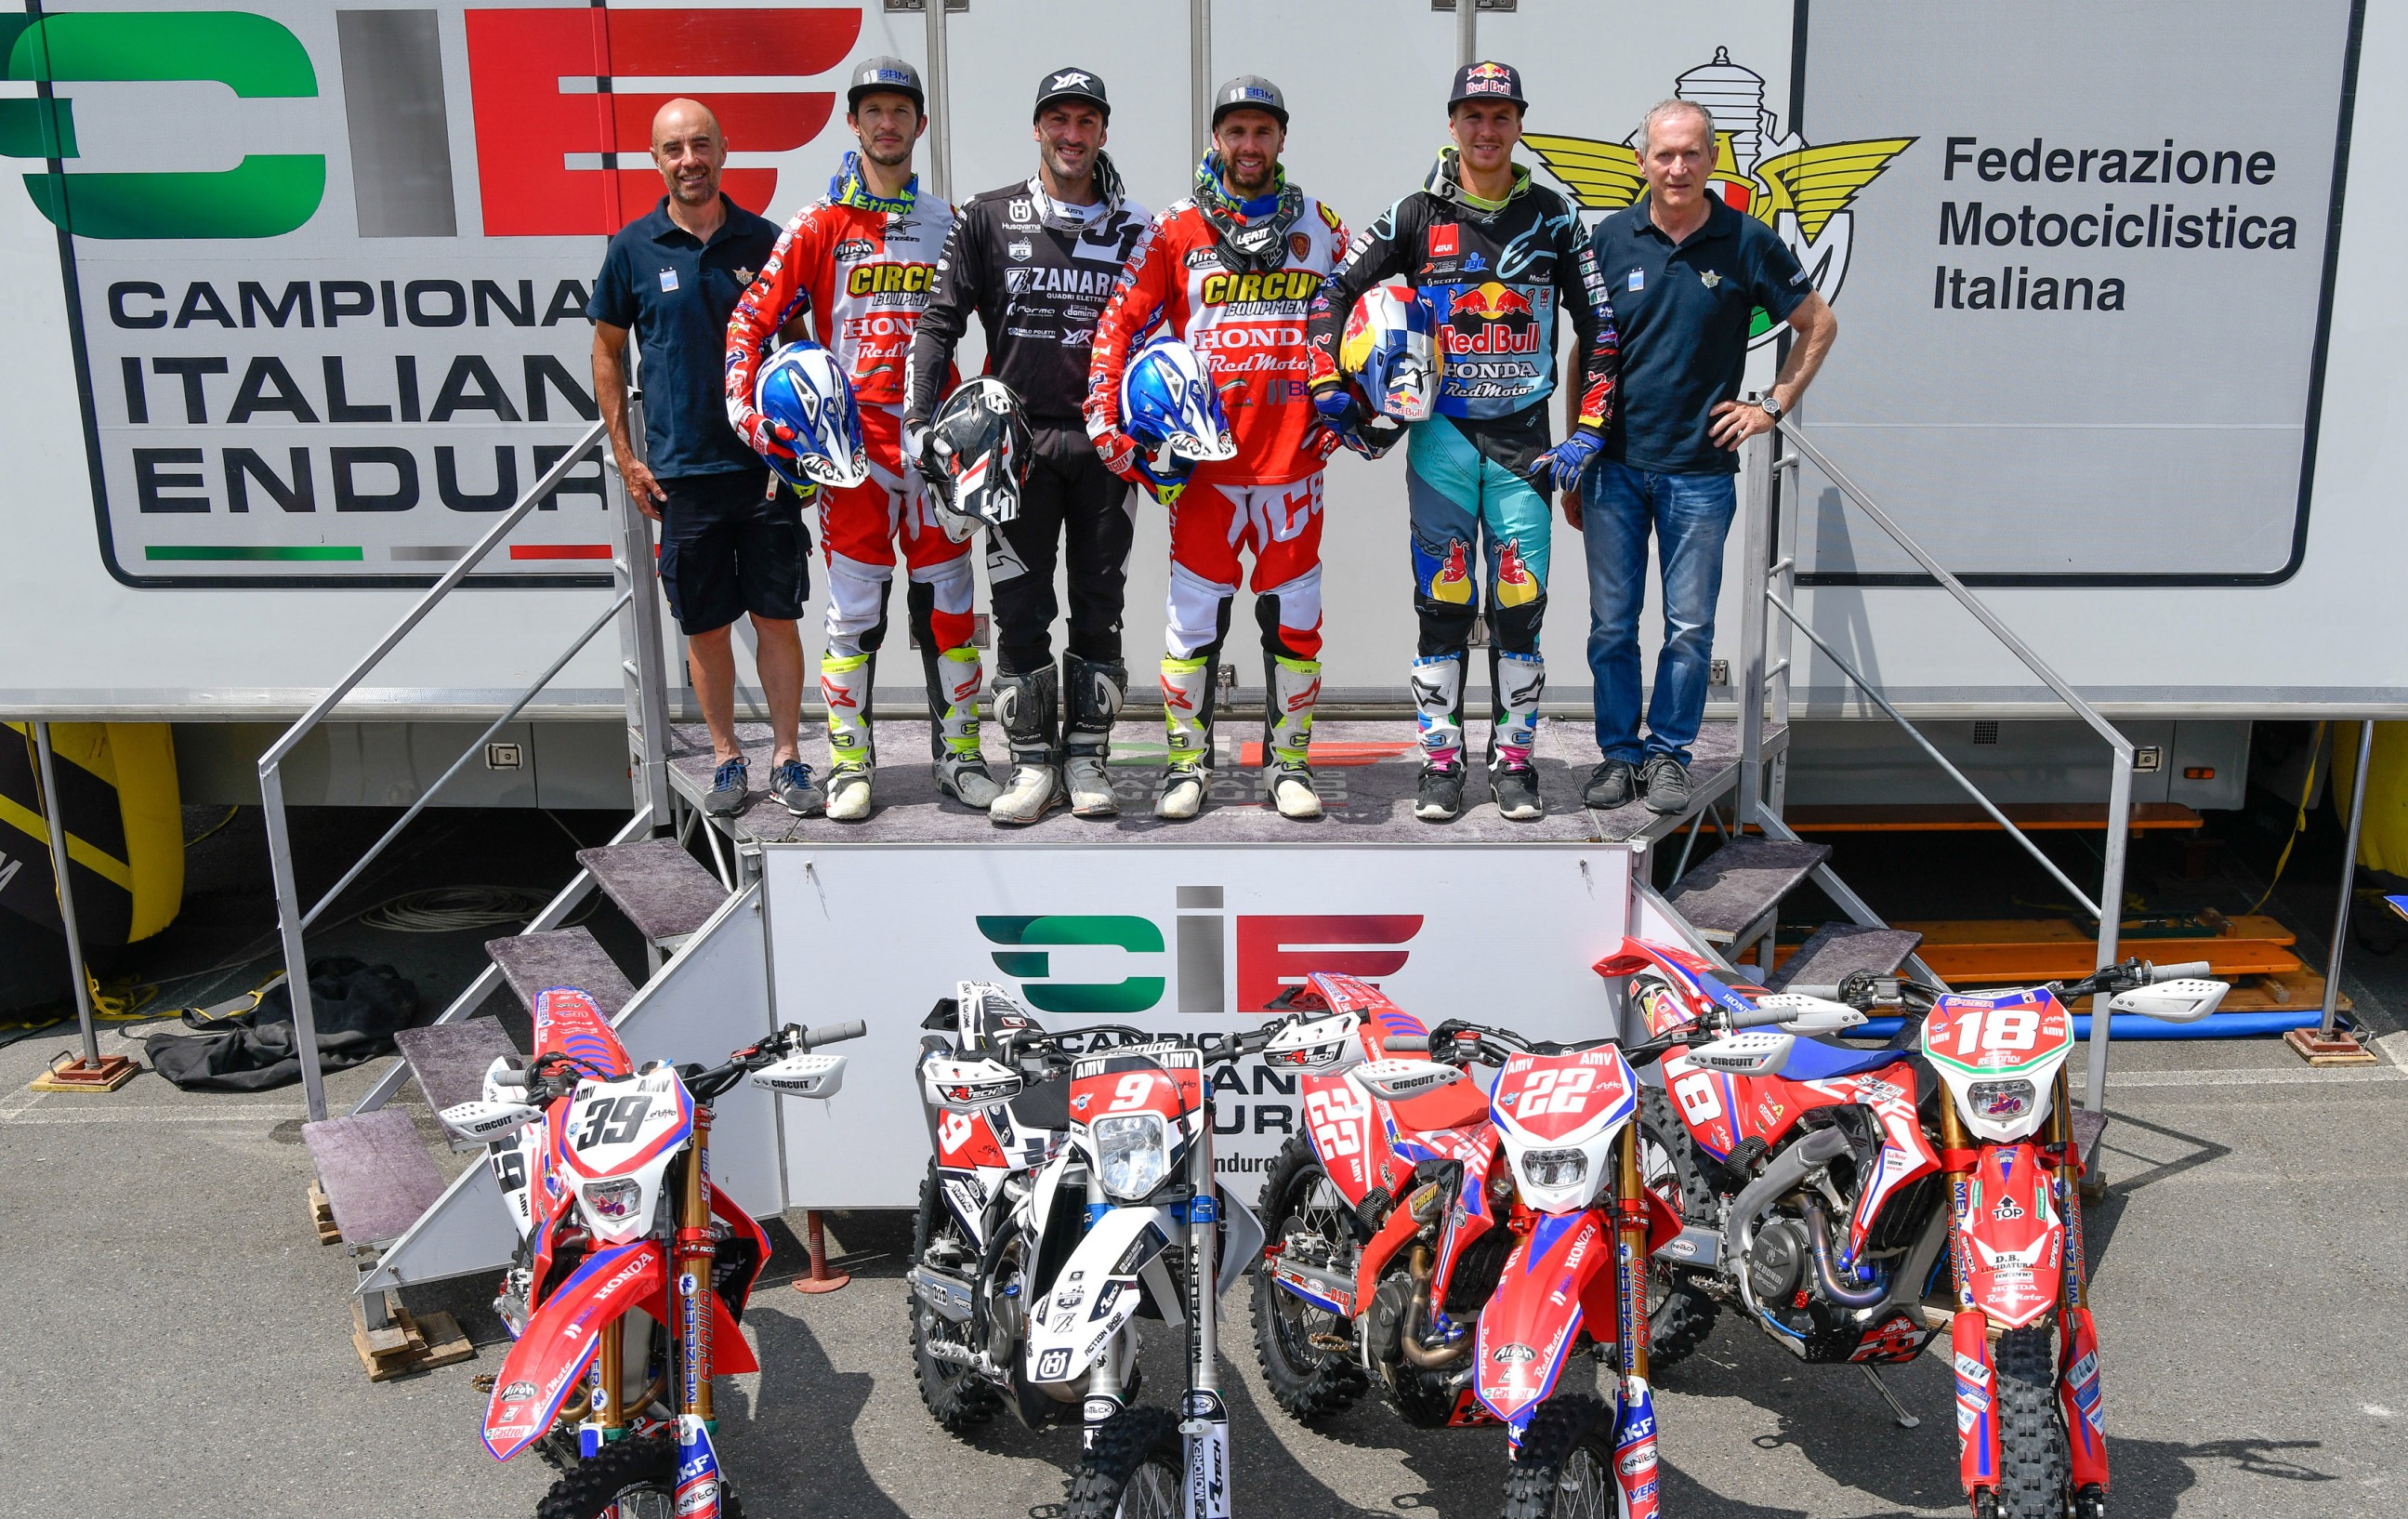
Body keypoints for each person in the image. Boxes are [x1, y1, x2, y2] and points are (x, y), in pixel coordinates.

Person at [1306, 61, 1619, 826]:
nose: (1486, 129)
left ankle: (1514, 764)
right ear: (1452, 123)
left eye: (1500, 115)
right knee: (1442, 606)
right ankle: (1440, 763)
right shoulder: (1414, 213)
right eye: (1472, 115)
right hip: (1439, 440)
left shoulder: (1553, 216)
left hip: (1525, 447)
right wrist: (1330, 384)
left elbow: (1601, 328)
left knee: (1520, 608)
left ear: (1518, 124)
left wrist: (1589, 429)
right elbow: (1331, 294)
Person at [726, 59, 994, 823]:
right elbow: (748, 323)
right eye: (873, 110)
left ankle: (961, 757)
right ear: (853, 122)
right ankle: (850, 765)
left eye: (899, 111)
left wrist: (992, 414)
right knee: (852, 615)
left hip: (936, 445)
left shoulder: (951, 222)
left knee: (950, 610)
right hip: (851, 450)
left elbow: (1007, 324)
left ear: (919, 124)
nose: (886, 123)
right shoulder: (818, 223)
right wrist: (754, 420)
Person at [1087, 76, 1351, 823]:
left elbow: (1362, 320)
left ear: (1281, 139)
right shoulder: (1175, 227)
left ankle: (1288, 765)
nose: (1248, 145)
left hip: (1292, 461)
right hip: (1201, 465)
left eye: (1262, 131)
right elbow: (1118, 323)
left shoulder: (1321, 225)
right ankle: (1186, 767)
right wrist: (1106, 419)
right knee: (1192, 623)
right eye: (1235, 131)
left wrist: (1356, 407)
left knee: (1295, 619)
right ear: (1216, 139)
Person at [1573, 97, 1838, 814]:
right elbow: (1586, 352)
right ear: (1641, 161)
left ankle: (1667, 755)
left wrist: (1770, 407)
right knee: (1611, 625)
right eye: (1664, 154)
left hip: (1698, 474)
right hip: (1613, 468)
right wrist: (1577, 448)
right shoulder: (1608, 239)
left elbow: (1817, 323)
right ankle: (1617, 755)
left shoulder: (1746, 240)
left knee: (1688, 629)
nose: (1677, 167)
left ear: (1712, 159)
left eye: (1691, 153)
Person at [905, 68, 1150, 826]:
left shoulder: (1138, 227)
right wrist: (920, 419)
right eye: (1058, 120)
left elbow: (1170, 331)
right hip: (1013, 450)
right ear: (1037, 129)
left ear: (1102, 131)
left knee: (1100, 608)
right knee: (1019, 611)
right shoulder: (986, 216)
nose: (1071, 135)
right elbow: (938, 322)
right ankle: (1032, 764)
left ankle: (1087, 759)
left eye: (1085, 121)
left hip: (1107, 448)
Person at [591, 98, 812, 818]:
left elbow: (799, 348)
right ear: (656, 160)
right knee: (706, 627)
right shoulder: (632, 249)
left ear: (722, 149)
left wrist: (805, 448)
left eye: (699, 145)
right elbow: (606, 352)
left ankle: (787, 758)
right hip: (682, 475)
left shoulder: (765, 240)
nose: (689, 160)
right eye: (673, 148)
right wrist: (626, 457)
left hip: (763, 471)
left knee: (776, 618)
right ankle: (725, 759)